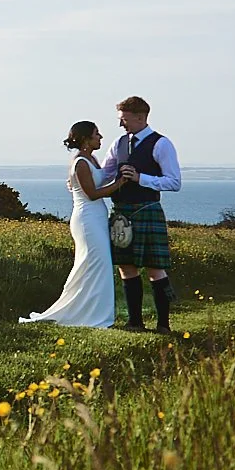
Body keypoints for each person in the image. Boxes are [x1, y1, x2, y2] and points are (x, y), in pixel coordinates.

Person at [21, 120, 123, 327]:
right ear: (86, 138)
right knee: (94, 263)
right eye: (97, 134)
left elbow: (98, 181)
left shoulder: (91, 158)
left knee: (97, 265)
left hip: (97, 218)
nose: (100, 137)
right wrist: (119, 184)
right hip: (87, 220)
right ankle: (89, 315)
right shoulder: (81, 162)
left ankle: (92, 312)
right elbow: (92, 194)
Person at [99, 95, 182, 331]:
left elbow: (174, 182)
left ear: (140, 117)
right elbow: (105, 173)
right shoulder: (118, 143)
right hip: (122, 212)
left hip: (147, 209)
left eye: (123, 119)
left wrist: (140, 178)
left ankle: (164, 324)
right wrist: (78, 178)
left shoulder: (161, 144)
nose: (120, 124)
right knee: (126, 266)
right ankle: (135, 322)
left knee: (155, 267)